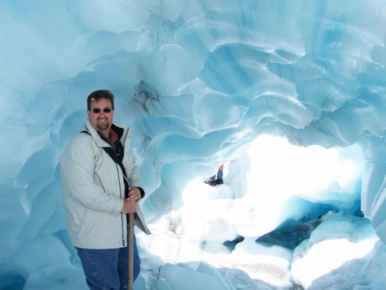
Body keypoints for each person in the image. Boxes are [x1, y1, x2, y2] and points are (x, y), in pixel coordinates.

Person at [60, 89, 151, 290]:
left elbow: (132, 171)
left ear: (113, 112)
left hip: (121, 230)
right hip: (95, 234)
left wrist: (138, 190)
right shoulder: (81, 145)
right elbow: (82, 190)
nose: (102, 114)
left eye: (106, 109)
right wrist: (121, 205)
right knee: (106, 286)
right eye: (96, 110)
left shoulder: (119, 140)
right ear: (89, 113)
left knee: (130, 275)